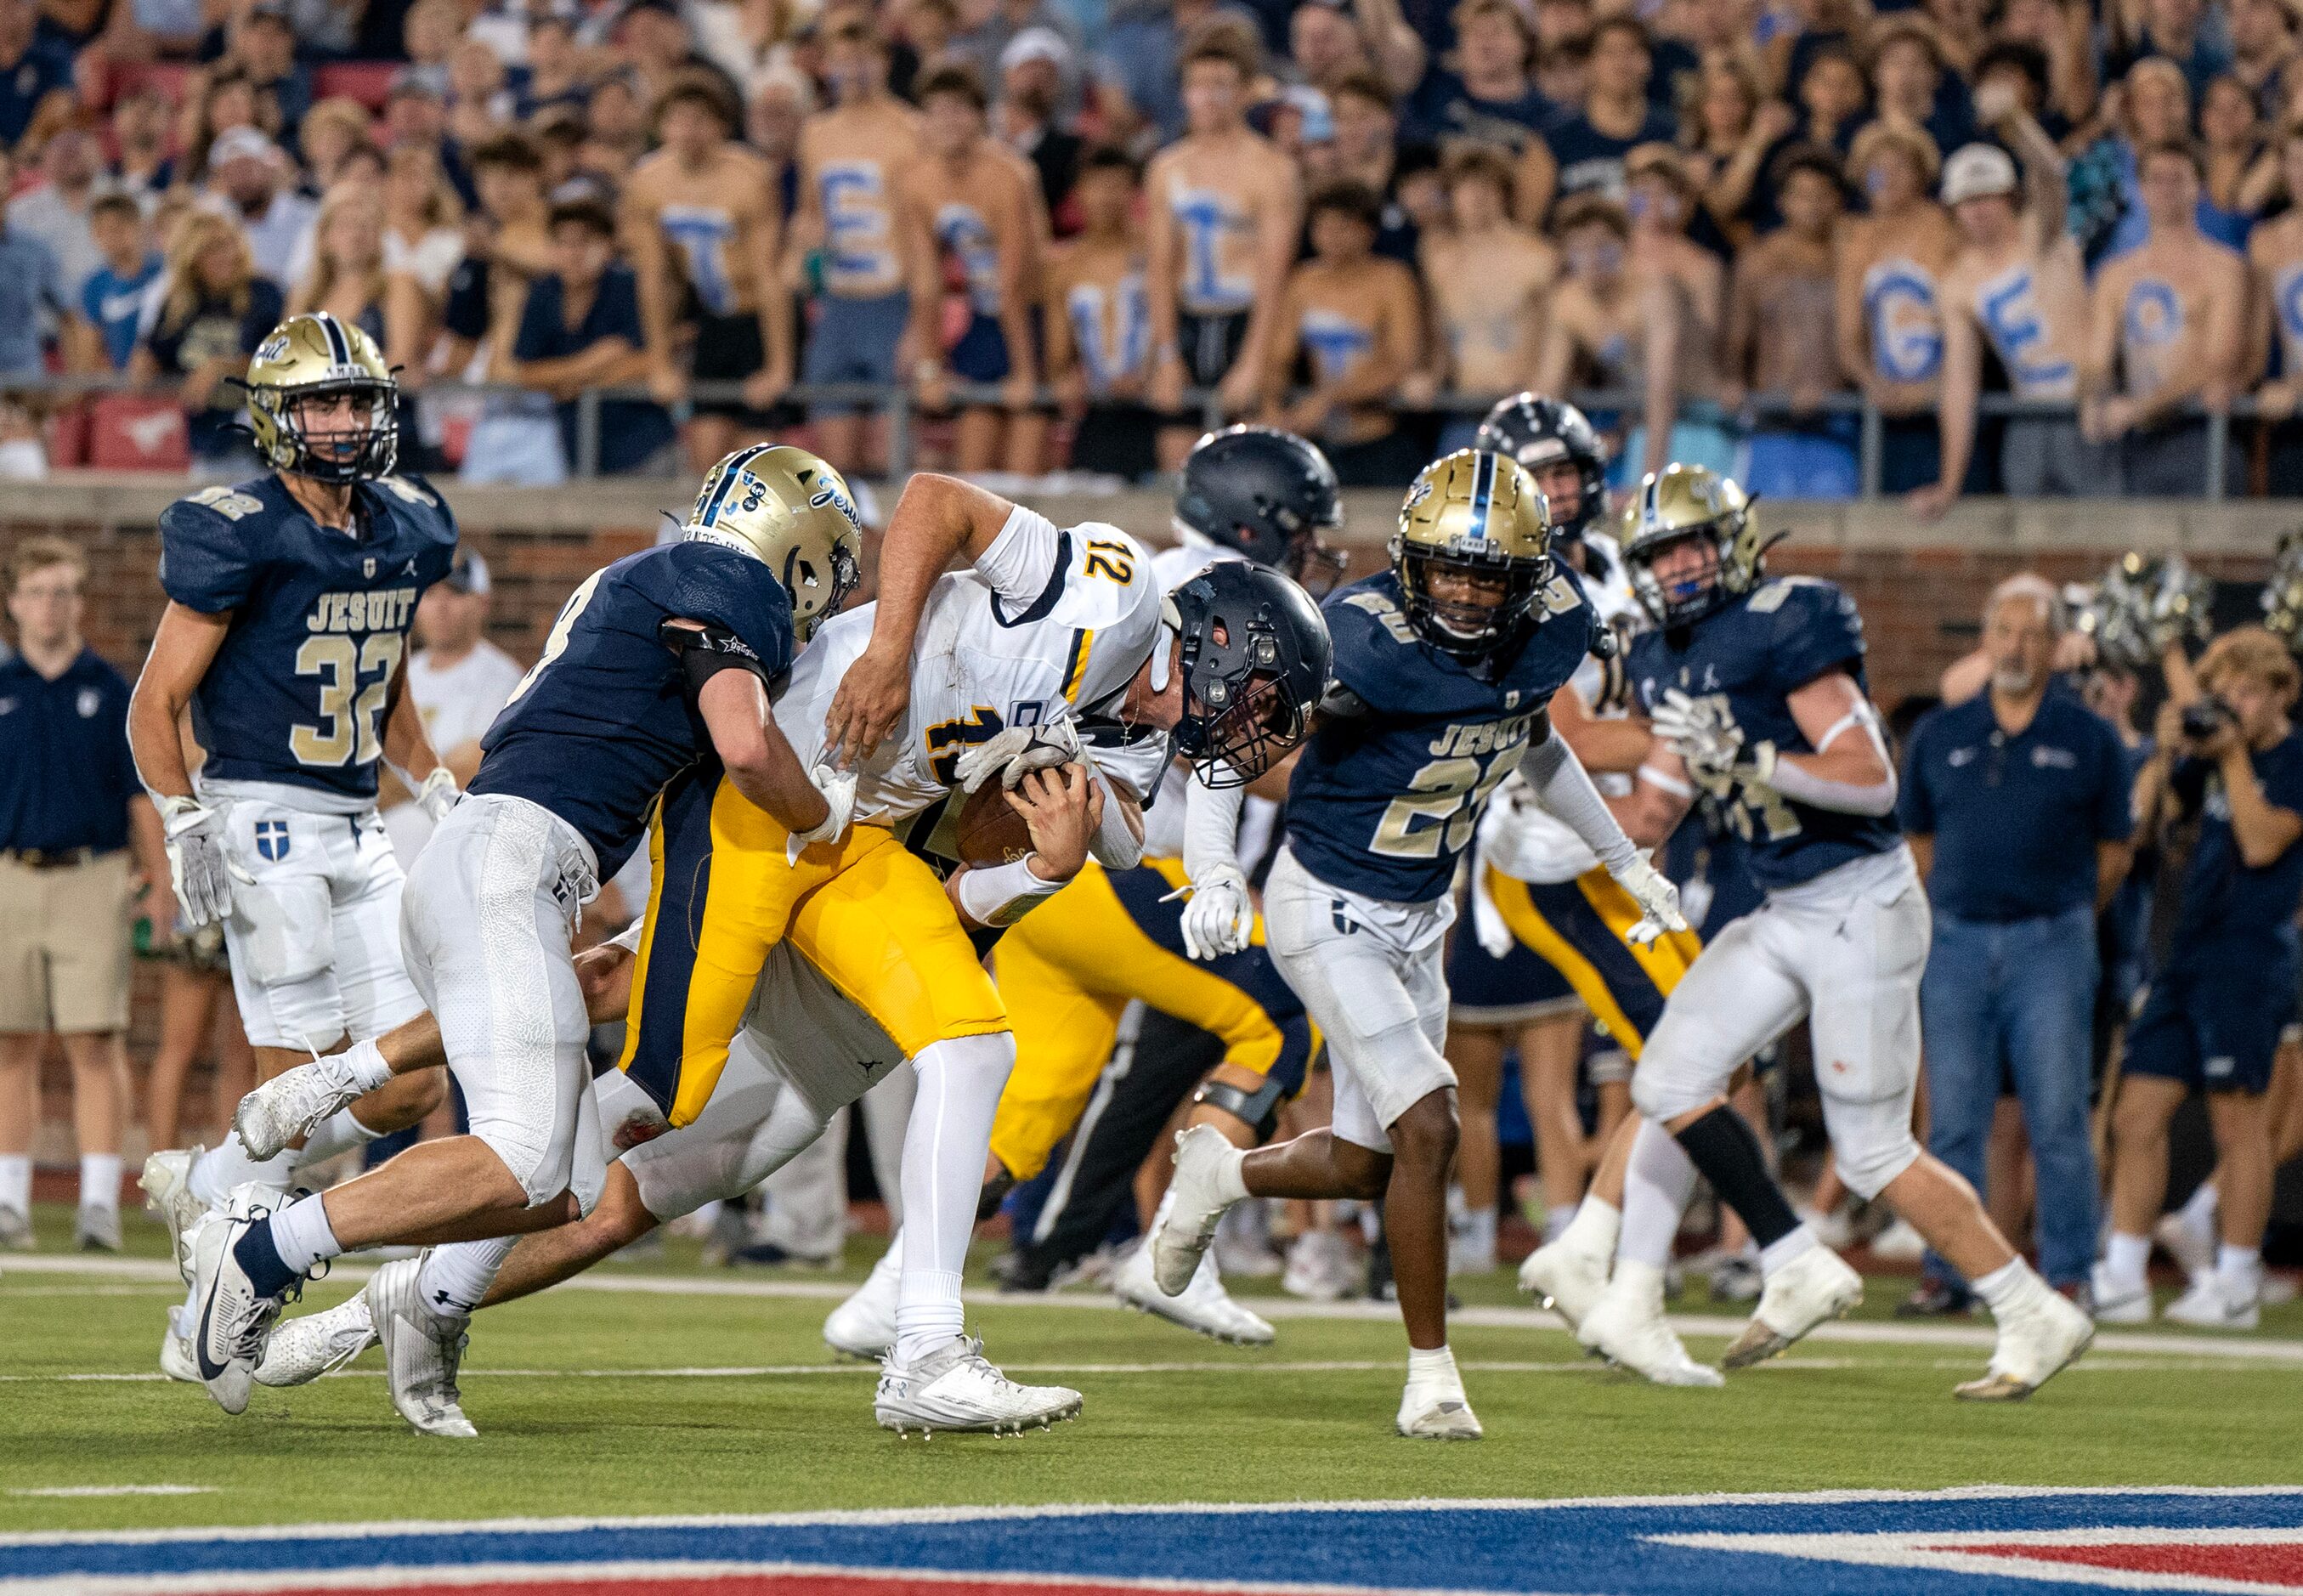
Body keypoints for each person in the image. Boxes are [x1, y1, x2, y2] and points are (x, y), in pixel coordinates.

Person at [190, 444, 861, 1426]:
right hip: (512, 861)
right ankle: (258, 1250)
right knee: (524, 1160)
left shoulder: (635, 578)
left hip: (499, 863)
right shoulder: (728, 578)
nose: (829, 589)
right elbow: (748, 744)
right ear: (791, 536)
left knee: (566, 1185)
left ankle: (317, 1175)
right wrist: (823, 817)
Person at [1153, 449, 1685, 1440]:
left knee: (1368, 1164)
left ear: (1527, 579)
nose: (1467, 595)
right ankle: (1432, 1376)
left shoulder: (1550, 628)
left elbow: (1533, 738)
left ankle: (1219, 1173)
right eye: (1448, 570)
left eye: (1489, 575)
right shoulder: (1357, 639)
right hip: (1327, 903)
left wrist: (1618, 853)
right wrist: (1218, 871)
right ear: (1410, 562)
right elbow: (1232, 738)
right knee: (1432, 1123)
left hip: (1420, 913)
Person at [1574, 463, 2093, 1400]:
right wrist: (1545, 792)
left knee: (1872, 1152)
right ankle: (1720, 1277)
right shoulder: (1660, 653)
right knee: (1669, 1078)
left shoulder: (1788, 618)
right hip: (1785, 908)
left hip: (1860, 899)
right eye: (1658, 552)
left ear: (1731, 540)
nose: (1678, 567)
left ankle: (2030, 1309)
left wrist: (1760, 756)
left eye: (1692, 543)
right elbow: (1655, 811)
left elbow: (1871, 779)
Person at [841, 427, 1343, 1320]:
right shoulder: (1196, 605)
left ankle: (897, 1289)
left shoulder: (1208, 596)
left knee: (1024, 1110)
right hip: (1109, 875)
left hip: (1074, 864)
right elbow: (1237, 755)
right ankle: (1174, 1249)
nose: (1313, 547)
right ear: (1258, 525)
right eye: (1302, 529)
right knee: (1282, 1010)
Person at [1448, 394, 1682, 1279]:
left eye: (1566, 472)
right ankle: (1531, 1237)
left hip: (1627, 834)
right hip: (1525, 846)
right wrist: (1681, 731)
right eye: (1538, 475)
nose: (1558, 491)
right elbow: (1571, 737)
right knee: (1482, 1077)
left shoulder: (1623, 566)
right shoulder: (1511, 585)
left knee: (1623, 1062)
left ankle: (1590, 1236)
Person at [1897, 576, 2133, 1312]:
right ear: (1986, 639)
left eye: (2034, 633)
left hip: (2050, 942)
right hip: (1958, 940)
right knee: (1954, 1120)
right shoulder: (1942, 732)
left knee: (2057, 1115)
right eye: (2006, 631)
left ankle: (2069, 1274)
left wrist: (2061, 915)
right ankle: (1949, 1274)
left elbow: (2116, 853)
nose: (2018, 646)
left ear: (2056, 646)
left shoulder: (2090, 737)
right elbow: (1918, 839)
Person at [2100, 626, 2303, 1331]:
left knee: (2239, 1122)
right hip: (2187, 951)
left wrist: (2233, 756)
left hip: (2252, 957)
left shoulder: (2293, 756)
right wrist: (2167, 750)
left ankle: (2239, 1280)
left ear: (2284, 694)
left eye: (2250, 692)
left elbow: (2261, 840)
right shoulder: (2212, 756)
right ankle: (2124, 1274)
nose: (2236, 705)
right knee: (2137, 1115)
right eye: (2227, 693)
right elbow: (2150, 822)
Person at [0, 538, 173, 1252]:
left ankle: (99, 1200)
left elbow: (141, 800)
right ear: (13, 603)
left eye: (63, 592)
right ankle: (10, 1199)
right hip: (9, 875)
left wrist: (159, 887)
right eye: (38, 592)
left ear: (81, 602)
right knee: (10, 1043)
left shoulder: (110, 690)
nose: (50, 606)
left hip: (93, 875)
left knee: (93, 1041)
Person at [1916, 119, 2102, 515]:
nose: (1978, 209)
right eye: (1967, 200)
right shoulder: (1958, 283)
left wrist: (2014, 121)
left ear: (2011, 198)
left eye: (1988, 196)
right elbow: (1960, 385)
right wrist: (1950, 484)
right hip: (2028, 420)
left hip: (2087, 411)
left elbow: (2052, 175)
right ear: (1953, 209)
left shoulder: (2044, 236)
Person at [1144, 30, 1303, 467]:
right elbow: (1160, 268)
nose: (1209, 97)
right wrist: (1166, 353)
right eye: (1198, 85)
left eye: (1221, 85)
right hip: (1190, 318)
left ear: (1245, 92)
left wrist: (1254, 360)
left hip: (1246, 317)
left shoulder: (1272, 169)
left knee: (1251, 455)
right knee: (1176, 457)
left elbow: (1275, 275)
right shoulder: (1166, 167)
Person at [622, 71, 790, 474]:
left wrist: (778, 364)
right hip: (709, 319)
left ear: (720, 126)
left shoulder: (749, 178)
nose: (688, 132)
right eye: (677, 120)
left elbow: (770, 277)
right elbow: (654, 277)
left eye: (699, 120)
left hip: (755, 319)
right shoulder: (648, 182)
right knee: (707, 463)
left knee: (756, 467)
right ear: (662, 126)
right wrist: (660, 362)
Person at [792, 9, 923, 475]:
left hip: (894, 300)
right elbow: (809, 213)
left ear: (883, 63)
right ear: (825, 64)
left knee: (893, 460)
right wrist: (799, 255)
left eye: (863, 58)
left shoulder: (911, 131)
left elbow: (923, 230)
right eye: (841, 58)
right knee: (834, 467)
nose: (853, 69)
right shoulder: (815, 133)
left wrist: (919, 322)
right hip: (838, 304)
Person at [901, 63, 1045, 475]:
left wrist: (1024, 372)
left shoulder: (1009, 175)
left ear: (980, 116)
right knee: (973, 469)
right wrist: (930, 367)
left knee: (1025, 463)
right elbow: (926, 283)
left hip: (1034, 319)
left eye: (959, 110)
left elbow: (1016, 279)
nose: (948, 121)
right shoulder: (917, 183)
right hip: (984, 317)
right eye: (937, 110)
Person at [2084, 142, 2248, 497]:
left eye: (2178, 178)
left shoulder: (2225, 269)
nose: (2166, 188)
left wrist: (2140, 408)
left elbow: (2219, 361)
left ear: (2200, 188)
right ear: (2140, 190)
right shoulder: (2116, 274)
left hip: (2201, 433)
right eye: (2156, 179)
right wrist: (2093, 400)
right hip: (2133, 443)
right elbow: (2096, 361)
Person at [493, 196, 676, 478]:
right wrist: (590, 363)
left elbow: (652, 361)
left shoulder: (627, 287)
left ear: (606, 247)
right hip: (577, 451)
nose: (573, 254)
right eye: (563, 244)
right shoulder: (543, 294)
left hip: (643, 443)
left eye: (583, 243)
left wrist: (575, 385)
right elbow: (525, 372)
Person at [1262, 179, 1423, 487]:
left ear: (1368, 231)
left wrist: (1329, 397)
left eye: (1341, 228)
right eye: (1321, 228)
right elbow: (1277, 358)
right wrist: (1274, 409)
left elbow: (1401, 360)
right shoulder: (1303, 282)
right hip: (1320, 441)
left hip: (1377, 441)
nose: (1330, 238)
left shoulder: (1393, 280)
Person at [1723, 147, 1856, 500]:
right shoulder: (1758, 260)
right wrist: (1734, 383)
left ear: (1838, 201)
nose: (1812, 205)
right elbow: (1737, 340)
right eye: (1801, 195)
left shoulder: (1853, 257)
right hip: (1770, 421)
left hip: (1837, 419)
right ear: (1783, 202)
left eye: (1823, 195)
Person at [1836, 122, 1960, 495]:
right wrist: (1874, 386)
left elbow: (1967, 317)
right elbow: (1848, 336)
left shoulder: (1947, 230)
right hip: (1886, 416)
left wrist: (1940, 386)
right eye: (1878, 168)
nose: (1887, 178)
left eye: (1900, 167)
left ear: (1921, 175)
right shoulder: (1856, 243)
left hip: (1947, 407)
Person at [381, 552, 525, 869]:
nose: (441, 607)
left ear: (482, 603)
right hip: (397, 830)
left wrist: (392, 782)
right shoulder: (405, 672)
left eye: (456, 594)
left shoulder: (500, 677)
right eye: (430, 594)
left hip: (459, 836)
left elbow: (473, 767)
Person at [1419, 149, 1556, 454]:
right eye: (1465, 187)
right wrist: (1430, 376)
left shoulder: (1537, 256)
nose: (1476, 197)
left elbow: (1553, 336)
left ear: (1504, 194)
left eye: (1487, 187)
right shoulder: (1439, 259)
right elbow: (1440, 339)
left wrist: (1541, 386)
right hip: (1462, 411)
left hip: (1522, 414)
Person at [131, 211, 286, 479]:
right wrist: (146, 363)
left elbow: (277, 361)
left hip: (256, 443)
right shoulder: (181, 304)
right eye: (211, 250)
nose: (226, 256)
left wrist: (218, 368)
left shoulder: (262, 293)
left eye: (229, 244)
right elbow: (148, 361)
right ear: (192, 259)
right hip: (199, 441)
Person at [1044, 145, 1157, 481]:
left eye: (1117, 187)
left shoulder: (1155, 255)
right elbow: (1058, 353)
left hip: (1153, 406)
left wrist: (1148, 374)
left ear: (1133, 194)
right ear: (1079, 194)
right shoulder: (1065, 266)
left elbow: (1171, 326)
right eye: (1098, 187)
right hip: (1097, 409)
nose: (1107, 198)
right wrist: (1066, 377)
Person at [71, 192, 162, 375]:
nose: (111, 237)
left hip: (167, 379)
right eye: (102, 231)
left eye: (118, 229)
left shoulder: (164, 272)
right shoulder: (93, 285)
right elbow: (87, 354)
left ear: (139, 226)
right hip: (122, 385)